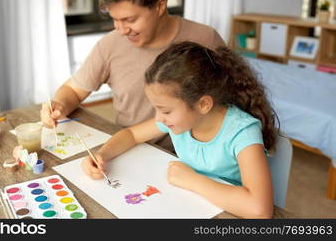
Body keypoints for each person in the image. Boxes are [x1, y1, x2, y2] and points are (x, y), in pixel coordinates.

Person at [40, 0, 225, 150]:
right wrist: (59, 106)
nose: (121, 30)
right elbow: (72, 90)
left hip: (193, 156)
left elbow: (233, 103)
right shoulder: (111, 44)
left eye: (129, 19)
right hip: (127, 147)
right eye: (115, 19)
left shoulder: (205, 39)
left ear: (160, 6)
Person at [82, 42, 277, 219]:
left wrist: (192, 180)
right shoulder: (181, 120)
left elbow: (259, 209)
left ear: (203, 104)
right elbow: (131, 135)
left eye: (165, 110)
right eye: (156, 109)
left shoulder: (242, 132)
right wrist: (102, 155)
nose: (158, 118)